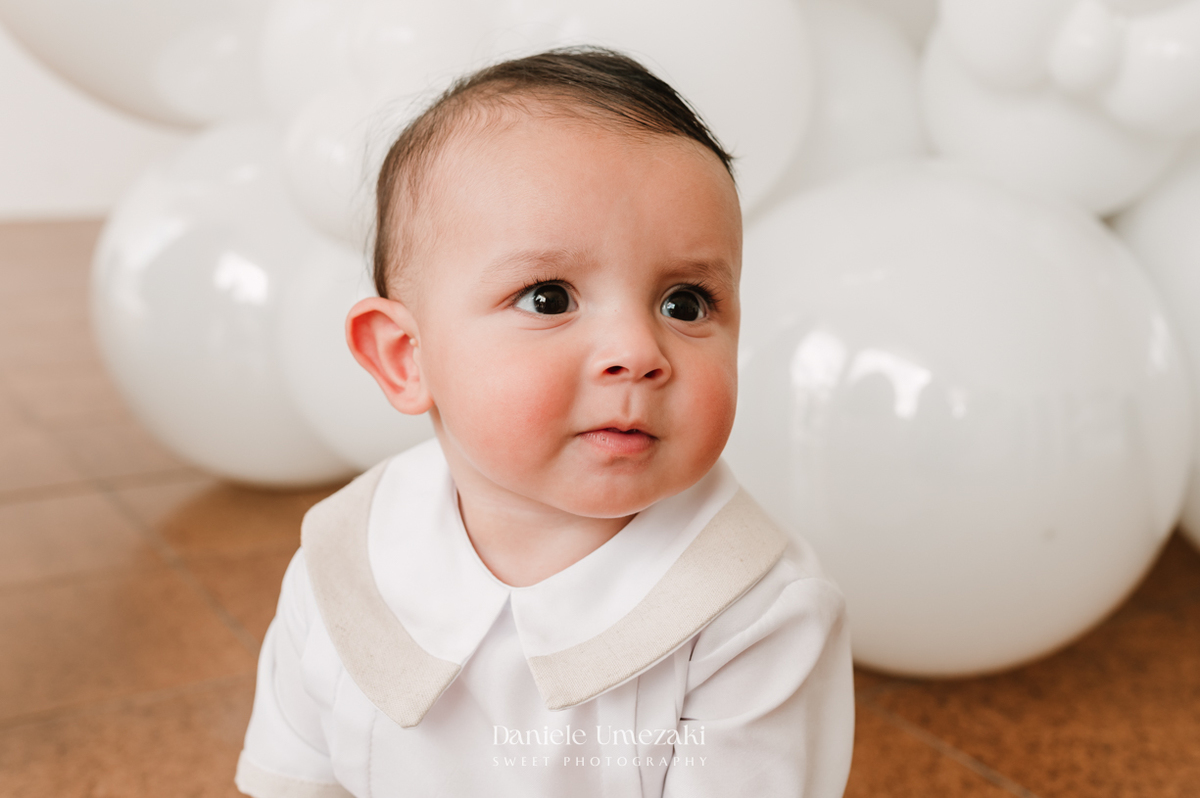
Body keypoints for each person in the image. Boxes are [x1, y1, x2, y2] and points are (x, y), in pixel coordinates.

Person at [236, 47, 854, 798]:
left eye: (685, 303)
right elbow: (296, 779)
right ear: (405, 357)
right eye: (549, 298)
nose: (637, 352)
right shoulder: (346, 560)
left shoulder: (752, 609)